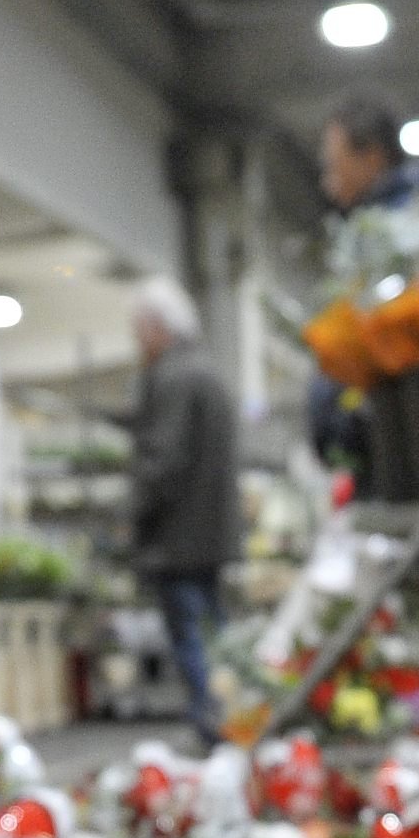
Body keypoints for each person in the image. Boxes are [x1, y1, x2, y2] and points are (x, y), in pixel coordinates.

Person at [131, 276, 240, 750]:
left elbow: (164, 457)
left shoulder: (174, 377)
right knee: (218, 637)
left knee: (193, 639)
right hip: (211, 532)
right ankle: (237, 717)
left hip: (178, 537)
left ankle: (217, 727)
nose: (137, 341)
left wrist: (133, 511)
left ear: (157, 327)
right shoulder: (208, 372)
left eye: (138, 330)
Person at [310, 99, 419, 473]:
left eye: (335, 163)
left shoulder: (397, 237)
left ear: (373, 158)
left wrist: (349, 424)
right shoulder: (369, 234)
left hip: (387, 449)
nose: (328, 181)